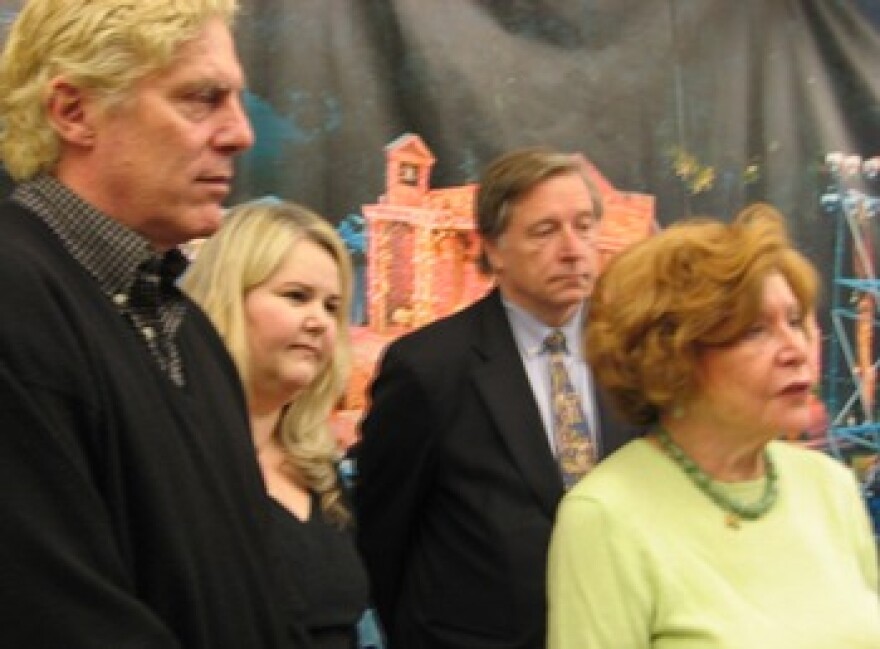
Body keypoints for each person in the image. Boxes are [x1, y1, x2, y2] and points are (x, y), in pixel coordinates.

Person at [0, 2, 298, 648]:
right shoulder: (14, 300)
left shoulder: (189, 332)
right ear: (73, 112)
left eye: (236, 100)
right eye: (201, 98)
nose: (241, 132)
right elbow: (51, 614)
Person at [548, 204, 880, 648]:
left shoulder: (830, 487)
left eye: (795, 321)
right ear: (675, 358)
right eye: (755, 331)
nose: (795, 350)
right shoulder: (605, 516)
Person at [353, 147, 642, 648]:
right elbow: (382, 537)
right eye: (546, 231)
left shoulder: (636, 359)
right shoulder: (428, 370)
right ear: (493, 247)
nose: (573, 249)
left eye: (584, 225)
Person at [183, 199, 373, 649]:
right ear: (228, 295)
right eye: (296, 296)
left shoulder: (321, 473)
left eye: (332, 306)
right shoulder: (171, 461)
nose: (319, 322)